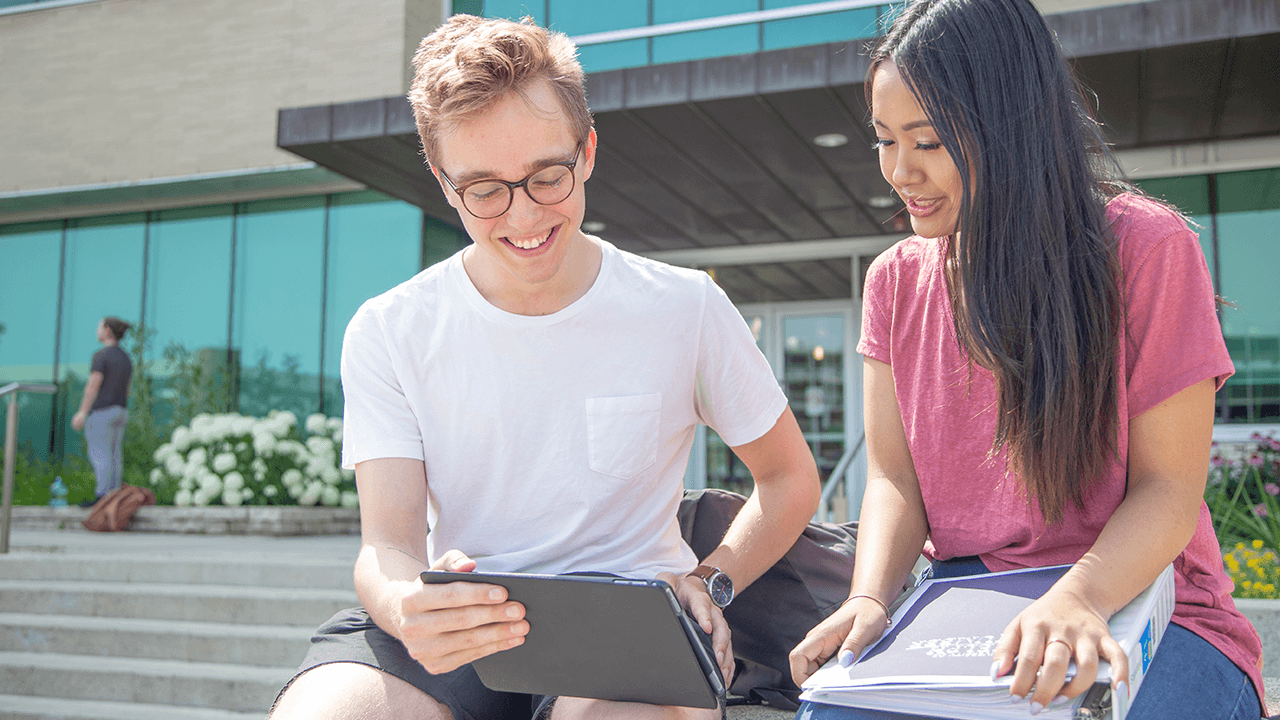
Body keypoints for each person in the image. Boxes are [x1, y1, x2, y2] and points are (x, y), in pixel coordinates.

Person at [269, 14, 821, 720]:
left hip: (627, 627)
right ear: (444, 183)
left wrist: (710, 581)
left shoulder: (684, 306)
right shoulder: (390, 329)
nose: (523, 217)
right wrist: (406, 603)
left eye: (546, 177)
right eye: (486, 190)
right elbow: (388, 545)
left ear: (586, 151)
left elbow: (788, 479)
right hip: (464, 629)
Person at [787, 0, 1266, 718]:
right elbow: (894, 477)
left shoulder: (1146, 248)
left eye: (928, 141)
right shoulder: (892, 280)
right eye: (885, 141)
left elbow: (1168, 489)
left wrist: (1078, 597)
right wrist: (868, 597)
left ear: (1011, 126)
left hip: (1152, 606)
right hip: (967, 607)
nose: (899, 171)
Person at [71, 316, 133, 506]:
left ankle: (102, 496)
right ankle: (114, 497)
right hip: (120, 411)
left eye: (99, 327)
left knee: (101, 454)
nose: (97, 330)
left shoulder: (101, 356)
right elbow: (128, 388)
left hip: (102, 411)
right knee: (115, 455)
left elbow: (93, 386)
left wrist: (82, 411)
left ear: (107, 330)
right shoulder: (126, 358)